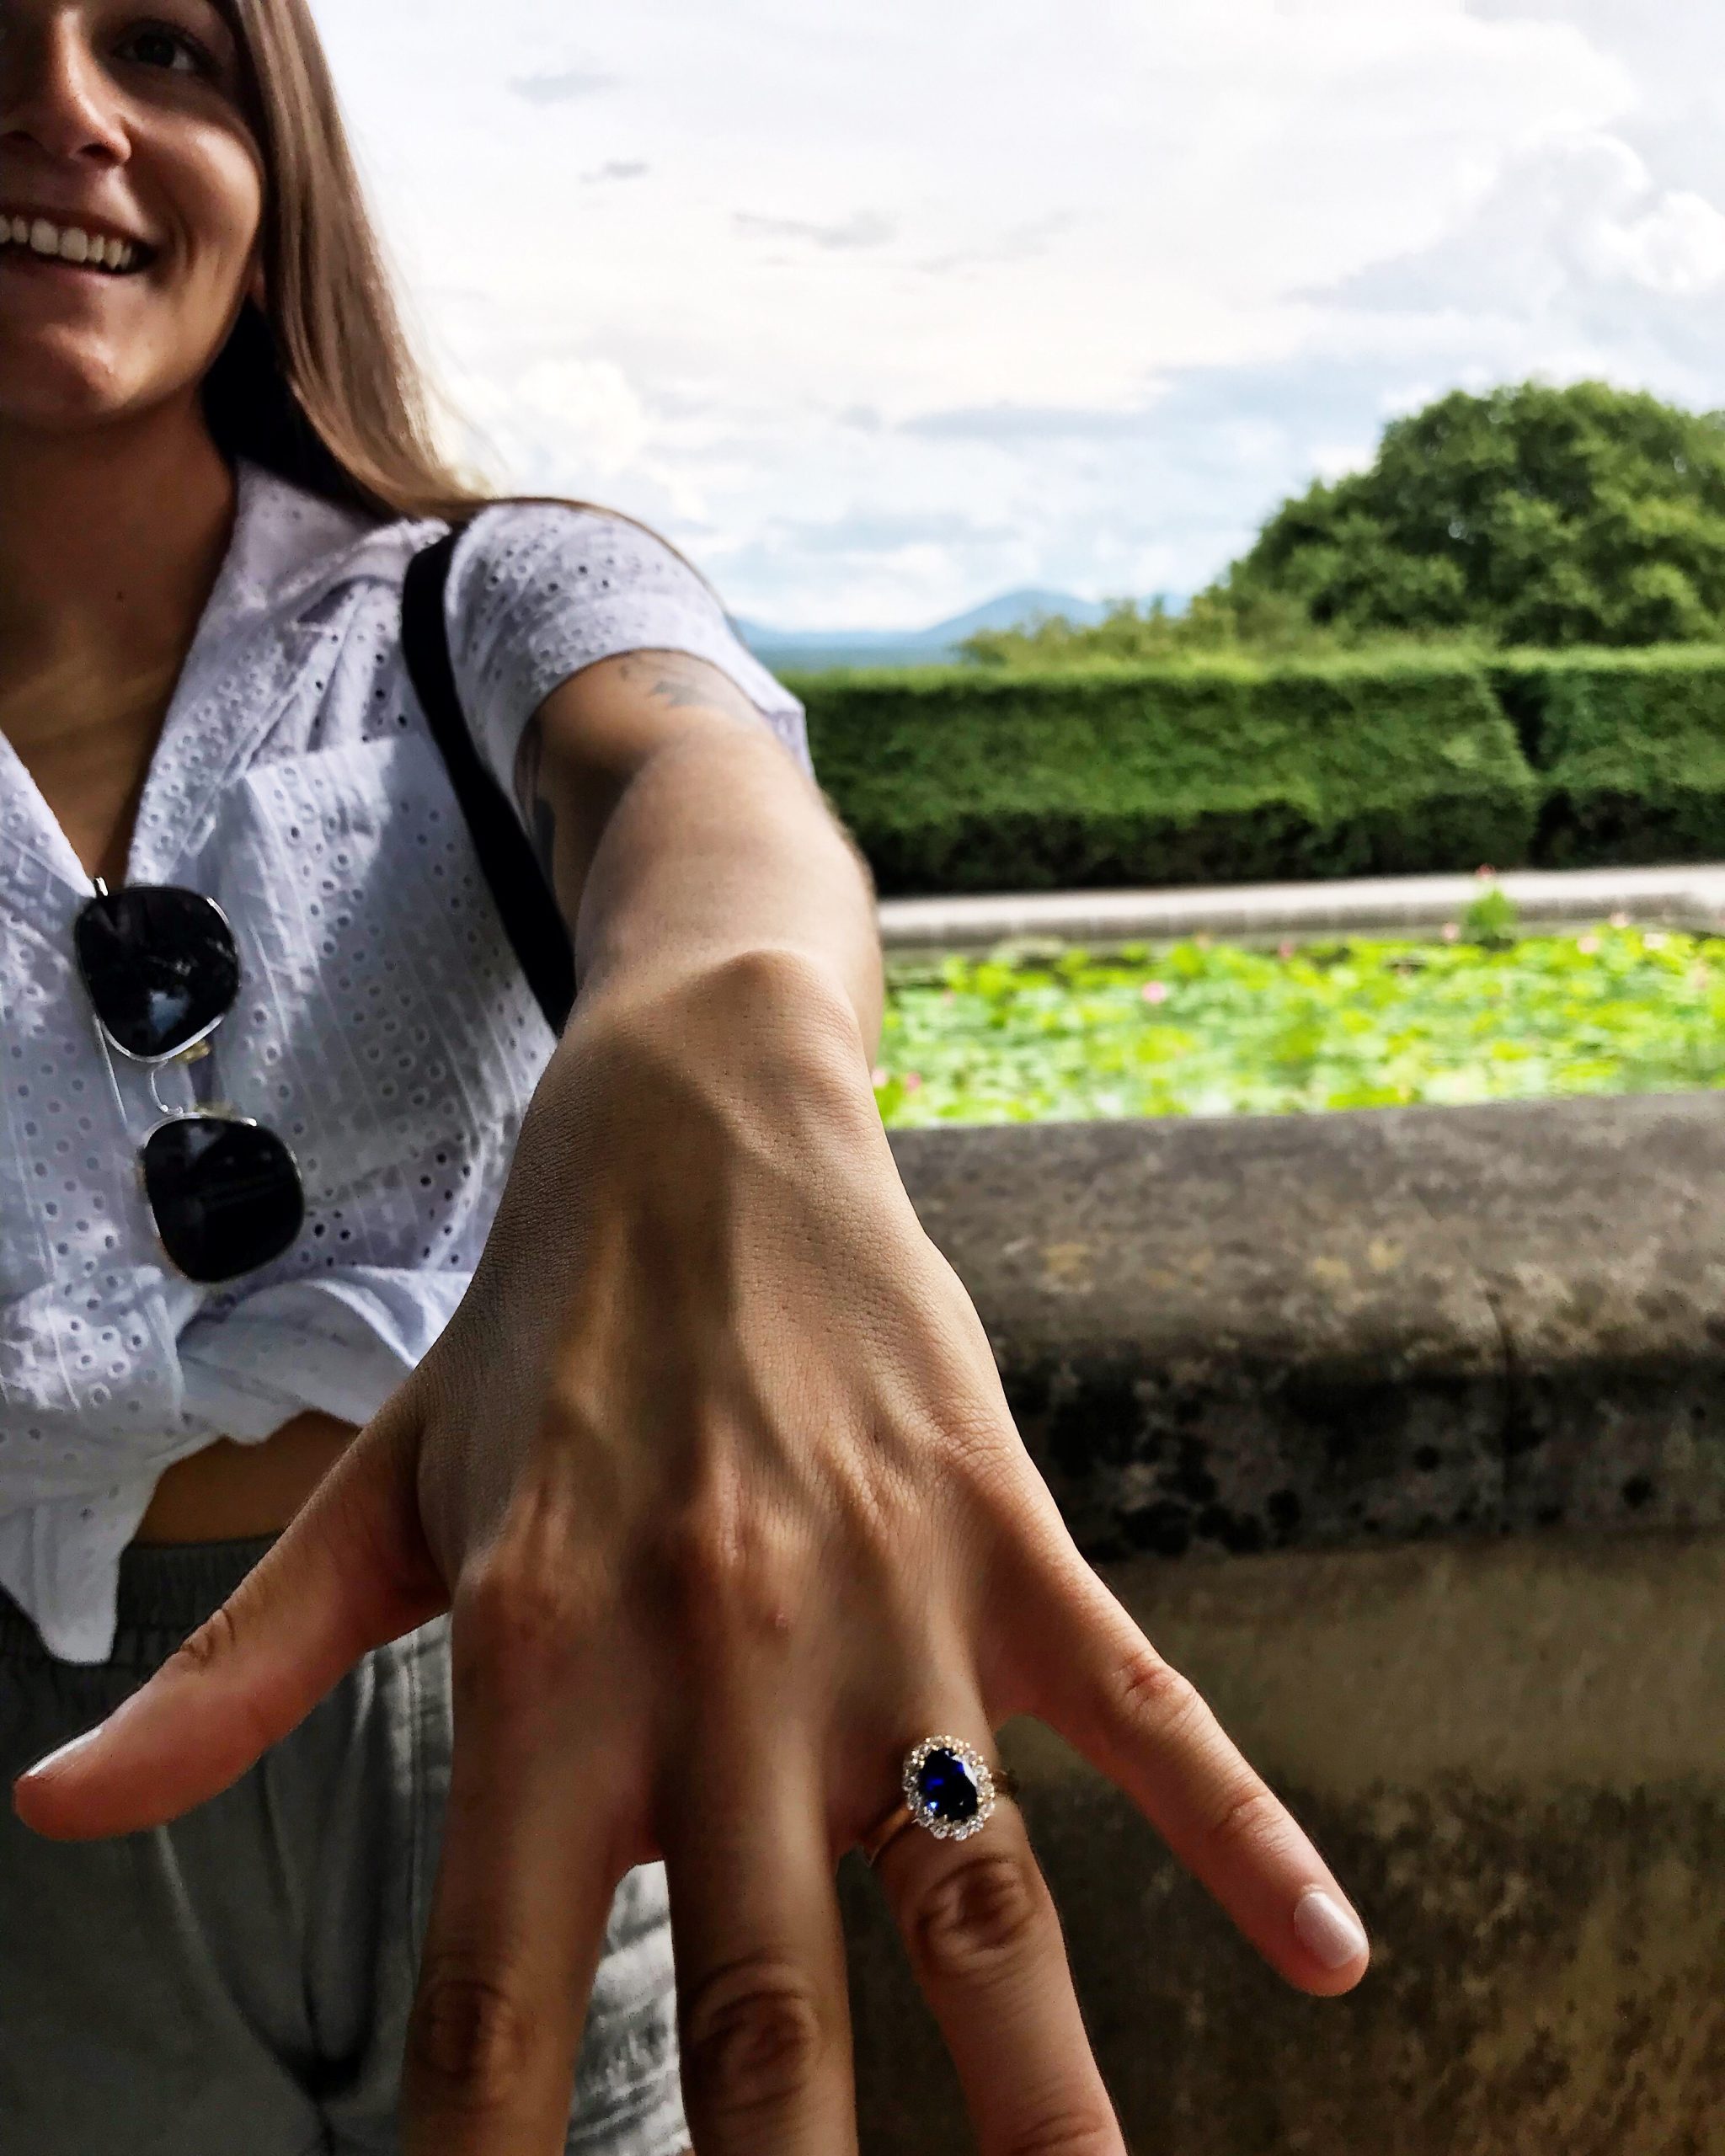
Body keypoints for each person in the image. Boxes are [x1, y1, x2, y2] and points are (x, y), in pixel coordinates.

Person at [0, 3, 1371, 2151]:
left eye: (165, 46)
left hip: (538, 1671)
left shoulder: (492, 591)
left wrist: (722, 1031)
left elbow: (689, 781)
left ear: (277, 190)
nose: (68, 108)